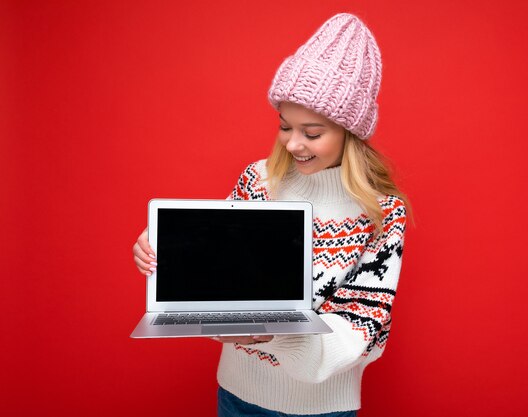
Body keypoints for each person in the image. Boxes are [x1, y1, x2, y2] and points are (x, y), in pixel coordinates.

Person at [132, 12, 409, 417]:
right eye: (285, 126)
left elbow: (362, 331)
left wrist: (267, 336)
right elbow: (218, 280)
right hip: (238, 396)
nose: (294, 144)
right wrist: (169, 256)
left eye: (312, 133)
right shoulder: (258, 181)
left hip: (322, 408)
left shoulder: (382, 213)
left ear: (352, 135)